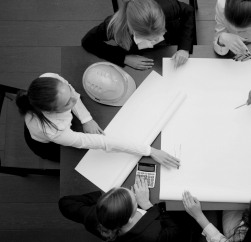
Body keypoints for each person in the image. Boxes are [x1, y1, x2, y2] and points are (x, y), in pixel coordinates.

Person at [15, 72, 180, 169]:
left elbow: (71, 92)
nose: (75, 97)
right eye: (68, 103)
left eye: (69, 92)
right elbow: (104, 143)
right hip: (47, 144)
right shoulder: (55, 131)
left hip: (54, 124)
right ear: (52, 111)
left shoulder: (49, 77)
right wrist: (150, 151)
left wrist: (86, 119)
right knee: (71, 161)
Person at [59, 176, 180, 241]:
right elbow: (175, 230)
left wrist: (107, 200)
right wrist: (147, 205)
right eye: (134, 198)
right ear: (129, 219)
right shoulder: (152, 237)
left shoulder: (94, 216)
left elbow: (65, 203)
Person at [82, 0, 195, 70]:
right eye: (150, 38)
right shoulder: (114, 26)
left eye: (159, 33)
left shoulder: (168, 7)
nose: (156, 40)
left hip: (170, 42)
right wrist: (123, 57)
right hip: (137, 52)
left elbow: (188, 11)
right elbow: (88, 41)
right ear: (132, 29)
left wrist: (184, 48)